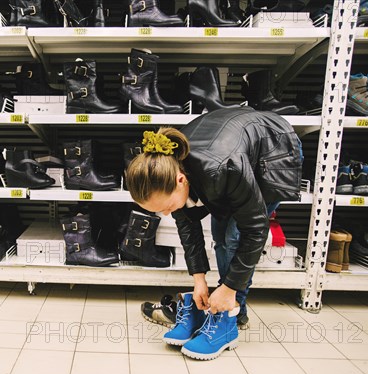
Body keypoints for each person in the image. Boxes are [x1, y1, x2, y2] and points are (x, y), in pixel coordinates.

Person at [127, 107, 303, 360]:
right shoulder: (168, 171)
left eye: (166, 207)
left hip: (275, 148)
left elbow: (255, 230)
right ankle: (215, 307)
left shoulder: (223, 169)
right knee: (221, 236)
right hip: (233, 153)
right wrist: (199, 280)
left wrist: (229, 287)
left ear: (180, 180)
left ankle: (230, 316)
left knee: (232, 236)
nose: (166, 214)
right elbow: (188, 227)